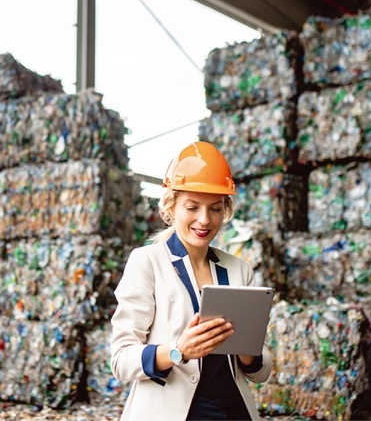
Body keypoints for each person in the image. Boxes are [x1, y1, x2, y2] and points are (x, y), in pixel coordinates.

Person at [110, 141, 272, 420]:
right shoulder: (147, 262)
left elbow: (261, 369)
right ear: (171, 207)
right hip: (177, 412)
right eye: (192, 207)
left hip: (235, 410)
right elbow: (121, 359)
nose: (204, 220)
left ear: (226, 210)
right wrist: (178, 351)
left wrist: (248, 351)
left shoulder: (239, 269)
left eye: (216, 209)